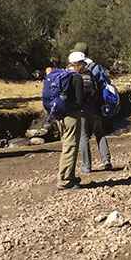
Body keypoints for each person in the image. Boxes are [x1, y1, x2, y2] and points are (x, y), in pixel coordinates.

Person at [55, 52, 96, 190]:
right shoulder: (76, 77)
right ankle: (65, 180)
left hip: (60, 116)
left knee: (67, 146)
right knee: (71, 147)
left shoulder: (61, 75)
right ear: (77, 64)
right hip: (72, 117)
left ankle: (70, 177)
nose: (85, 66)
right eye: (83, 63)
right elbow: (79, 101)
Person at [68, 51, 113, 173]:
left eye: (72, 65)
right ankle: (106, 160)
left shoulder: (75, 77)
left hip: (83, 111)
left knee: (83, 137)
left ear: (76, 64)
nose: (71, 67)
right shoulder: (91, 74)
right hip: (96, 109)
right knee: (100, 134)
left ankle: (86, 166)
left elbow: (77, 97)